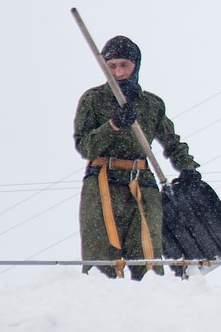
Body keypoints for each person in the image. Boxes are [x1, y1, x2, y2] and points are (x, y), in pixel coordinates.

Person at [74, 35, 200, 279]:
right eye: (112, 66)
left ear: (136, 66)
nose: (119, 72)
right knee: (102, 260)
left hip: (141, 183)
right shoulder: (93, 100)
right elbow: (85, 146)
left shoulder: (151, 104)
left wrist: (188, 169)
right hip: (102, 184)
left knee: (148, 256)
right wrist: (112, 125)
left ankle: (152, 308)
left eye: (124, 65)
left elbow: (171, 141)